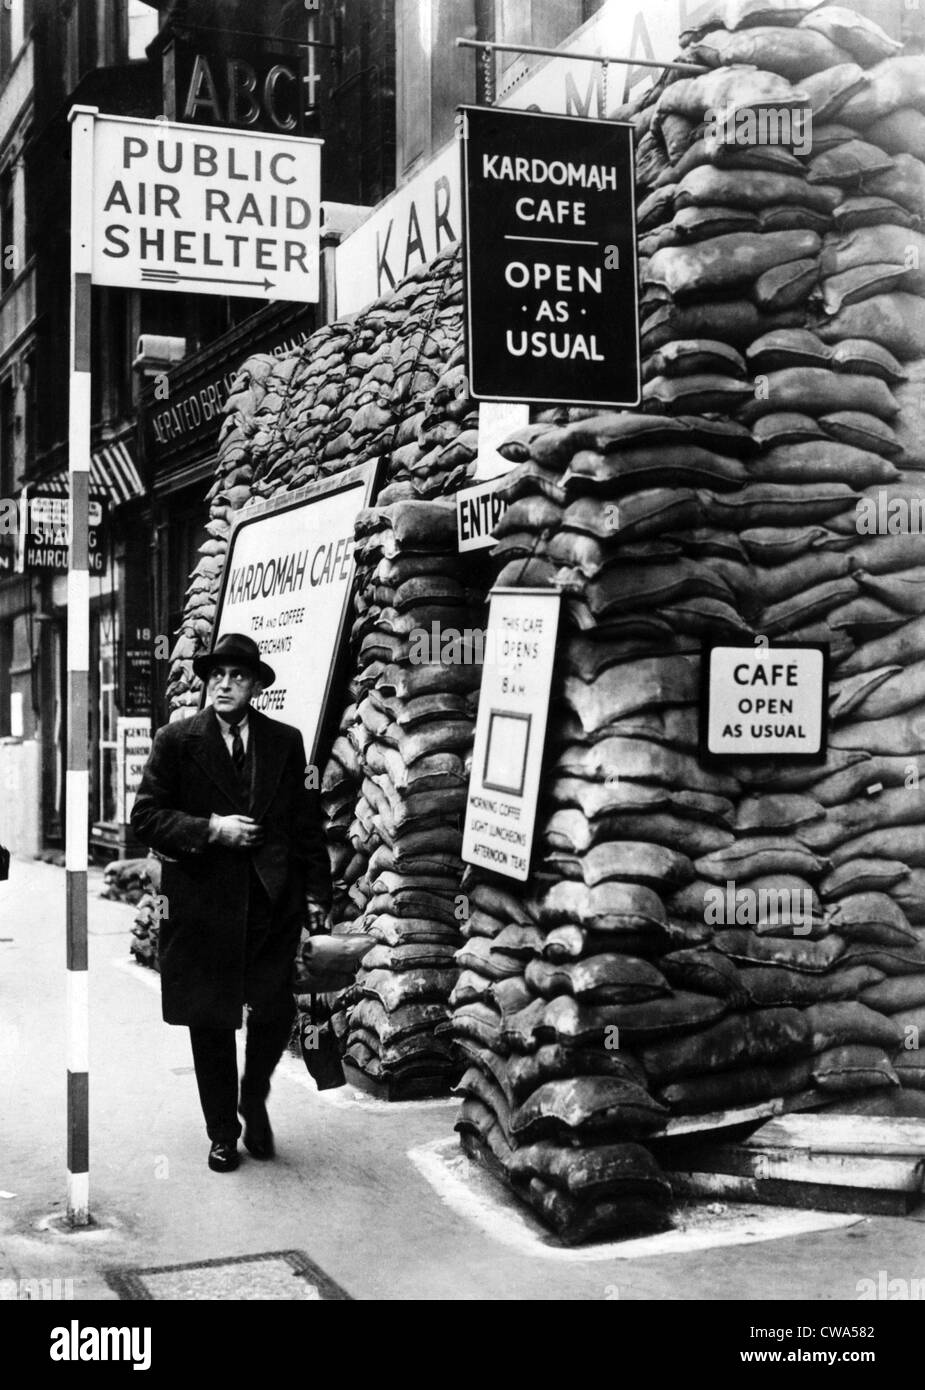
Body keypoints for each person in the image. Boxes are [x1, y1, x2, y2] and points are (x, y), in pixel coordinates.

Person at [131, 633, 332, 1173]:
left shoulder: (284, 743)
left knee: (274, 1010)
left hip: (272, 903)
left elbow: (305, 825)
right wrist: (211, 829)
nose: (224, 684)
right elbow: (145, 817)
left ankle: (253, 1096)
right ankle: (222, 1131)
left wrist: (315, 895)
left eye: (237, 676)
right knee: (212, 1021)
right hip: (202, 906)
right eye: (216, 674)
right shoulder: (177, 741)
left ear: (255, 686)